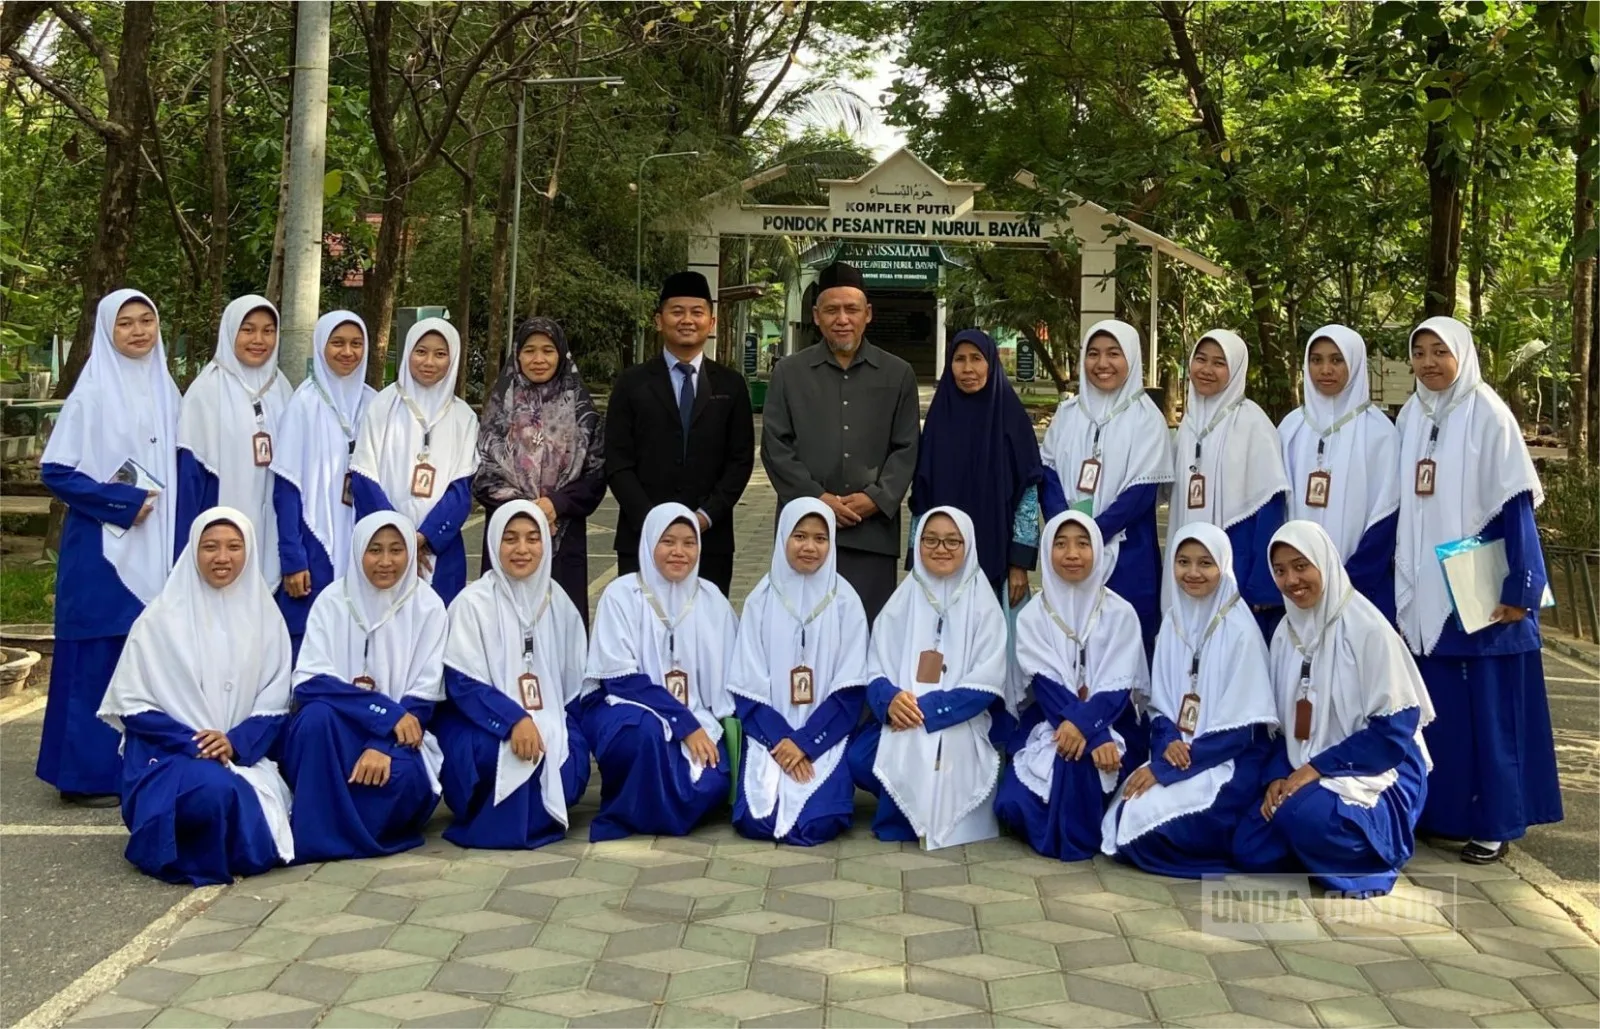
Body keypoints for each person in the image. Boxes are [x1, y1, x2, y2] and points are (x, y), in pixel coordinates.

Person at [1396, 316, 1559, 864]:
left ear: (1462, 354)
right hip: (1426, 585)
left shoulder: (1488, 412)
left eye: (1439, 351)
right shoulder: (1413, 415)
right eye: (1419, 352)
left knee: (1490, 710)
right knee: (1444, 711)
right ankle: (1446, 815)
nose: (1428, 362)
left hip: (1481, 590)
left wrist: (1522, 586)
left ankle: (1495, 824)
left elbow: (1514, 501)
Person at [1233, 522, 1434, 896]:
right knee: (1249, 846)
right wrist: (1278, 775)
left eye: (1301, 566)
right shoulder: (1284, 633)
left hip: (1379, 766)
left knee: (1298, 817)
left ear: (1325, 563)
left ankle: (1378, 849)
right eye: (1280, 570)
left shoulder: (1367, 629)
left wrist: (1315, 768)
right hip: (1306, 766)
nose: (1291, 580)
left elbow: (1394, 729)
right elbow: (1279, 725)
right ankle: (1313, 847)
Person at [98, 508, 295, 885]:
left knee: (243, 796)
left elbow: (274, 702)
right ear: (193, 552)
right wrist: (200, 743)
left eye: (234, 547)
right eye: (210, 547)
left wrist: (233, 743)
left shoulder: (267, 619)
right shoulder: (159, 619)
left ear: (249, 551)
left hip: (240, 754)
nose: (222, 558)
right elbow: (134, 704)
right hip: (169, 755)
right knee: (212, 790)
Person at [38, 289, 180, 806]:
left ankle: (132, 764)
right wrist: (119, 502)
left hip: (155, 543)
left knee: (139, 655)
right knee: (94, 656)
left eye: (147, 320)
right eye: (126, 324)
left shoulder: (168, 391)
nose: (139, 331)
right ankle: (80, 776)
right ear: (107, 331)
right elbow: (56, 471)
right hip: (101, 547)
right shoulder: (91, 394)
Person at [1102, 524, 1278, 877]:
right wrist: (1168, 742)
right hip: (1179, 751)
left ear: (1223, 567)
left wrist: (1170, 767)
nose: (1193, 573)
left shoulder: (1240, 630)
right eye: (1183, 562)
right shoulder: (1173, 621)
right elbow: (1161, 703)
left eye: (1205, 563)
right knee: (1125, 814)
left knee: (1145, 831)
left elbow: (1241, 731)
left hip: (1228, 761)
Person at [281, 512, 446, 860]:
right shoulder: (332, 601)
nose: (386, 562)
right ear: (358, 552)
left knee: (397, 780)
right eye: (375, 551)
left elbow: (423, 697)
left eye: (396, 550)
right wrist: (384, 714)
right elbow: (310, 683)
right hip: (339, 734)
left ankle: (326, 828)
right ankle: (318, 834)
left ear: (410, 554)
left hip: (403, 736)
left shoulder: (428, 606)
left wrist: (380, 743)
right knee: (314, 719)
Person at [762, 262, 921, 623]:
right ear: (817, 316)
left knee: (867, 631)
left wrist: (876, 498)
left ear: (868, 314)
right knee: (800, 633)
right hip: (805, 530)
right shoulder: (789, 373)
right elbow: (775, 446)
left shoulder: (898, 374)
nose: (842, 319)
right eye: (832, 310)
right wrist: (817, 500)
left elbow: (907, 446)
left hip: (872, 533)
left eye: (851, 309)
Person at [847, 507, 1007, 849]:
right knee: (859, 758)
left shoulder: (985, 605)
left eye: (953, 541)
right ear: (917, 544)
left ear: (968, 546)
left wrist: (926, 709)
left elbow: (987, 682)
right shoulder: (903, 600)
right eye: (931, 540)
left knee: (938, 752)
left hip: (959, 719)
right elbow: (875, 665)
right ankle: (911, 807)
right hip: (903, 713)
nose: (941, 549)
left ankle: (920, 813)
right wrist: (889, 699)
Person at [435, 502, 591, 849]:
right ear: (493, 543)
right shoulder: (472, 603)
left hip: (548, 715)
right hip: (481, 722)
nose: (522, 549)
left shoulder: (558, 602)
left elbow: (575, 683)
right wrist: (514, 721)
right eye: (511, 539)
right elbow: (462, 684)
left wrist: (560, 726)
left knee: (568, 763)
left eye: (533, 539)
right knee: (496, 754)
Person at [995, 512, 1149, 861]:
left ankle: (1075, 838)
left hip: (1111, 720)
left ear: (1097, 548)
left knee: (1078, 766)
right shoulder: (1035, 613)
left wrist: (1091, 729)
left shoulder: (1120, 612)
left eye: (1082, 544)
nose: (1072, 554)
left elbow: (1118, 687)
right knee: (1011, 805)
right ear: (1048, 551)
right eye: (1060, 544)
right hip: (1052, 716)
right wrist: (1088, 732)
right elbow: (1046, 685)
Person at [581, 503, 737, 840]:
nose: (679, 552)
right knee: (645, 736)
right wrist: (683, 722)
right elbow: (618, 678)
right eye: (668, 542)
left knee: (710, 783)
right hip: (623, 707)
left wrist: (698, 722)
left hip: (697, 713)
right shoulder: (621, 595)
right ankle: (630, 812)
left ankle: (650, 808)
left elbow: (729, 680)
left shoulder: (713, 600)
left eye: (688, 543)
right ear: (650, 542)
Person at [728, 498, 869, 846]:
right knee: (757, 819)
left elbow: (850, 689)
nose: (810, 547)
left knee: (819, 820)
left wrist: (806, 744)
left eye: (820, 538)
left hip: (824, 732)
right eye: (799, 536)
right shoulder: (760, 601)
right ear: (782, 539)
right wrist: (782, 741)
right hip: (771, 733)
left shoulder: (846, 602)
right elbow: (747, 686)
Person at [604, 272, 753, 595]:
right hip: (641, 535)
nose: (687, 320)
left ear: (711, 322)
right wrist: (654, 521)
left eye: (697, 312)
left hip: (709, 539)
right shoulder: (632, 384)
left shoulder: (731, 385)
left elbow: (739, 461)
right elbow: (617, 460)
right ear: (659, 320)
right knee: (640, 631)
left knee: (707, 636)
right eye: (677, 311)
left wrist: (704, 517)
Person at [1040, 319, 1173, 653]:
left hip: (1127, 551)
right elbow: (1048, 473)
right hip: (1068, 551)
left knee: (1124, 645)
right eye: (1094, 353)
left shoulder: (1147, 418)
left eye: (1114, 354)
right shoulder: (1069, 413)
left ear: (1131, 358)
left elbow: (1142, 492)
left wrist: (1091, 535)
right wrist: (1067, 531)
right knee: (1068, 638)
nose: (1102, 364)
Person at [474, 317, 606, 624]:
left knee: (560, 627)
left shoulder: (582, 410)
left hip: (563, 532)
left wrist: (554, 505)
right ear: (517, 355)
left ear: (561, 355)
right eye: (529, 350)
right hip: (508, 532)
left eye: (547, 350)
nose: (538, 359)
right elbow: (483, 472)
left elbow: (596, 475)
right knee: (501, 626)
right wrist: (526, 511)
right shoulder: (500, 404)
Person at [1165, 330, 1290, 638]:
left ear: (1235, 370)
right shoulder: (1189, 424)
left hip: (1237, 557)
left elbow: (1270, 502)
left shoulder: (1252, 422)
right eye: (1201, 359)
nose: (1207, 370)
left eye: (1219, 363)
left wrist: (1260, 583)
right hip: (1188, 560)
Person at [911, 328, 1044, 607]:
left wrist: (1019, 562)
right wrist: (916, 557)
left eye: (976, 358)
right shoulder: (938, 422)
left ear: (991, 363)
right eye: (959, 359)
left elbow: (1028, 495)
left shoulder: (1012, 420)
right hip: (940, 558)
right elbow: (922, 493)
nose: (968, 368)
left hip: (996, 556)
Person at [350, 318, 478, 606]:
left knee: (439, 628)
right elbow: (364, 476)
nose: (429, 361)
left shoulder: (464, 417)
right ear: (407, 352)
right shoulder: (382, 406)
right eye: (421, 351)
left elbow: (461, 489)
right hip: (383, 548)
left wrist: (423, 539)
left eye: (440, 354)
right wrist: (398, 540)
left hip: (440, 551)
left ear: (453, 358)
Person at [1278, 325, 1400, 622]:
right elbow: (1278, 506)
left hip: (1359, 585)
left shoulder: (1379, 432)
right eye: (1316, 360)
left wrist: (1350, 576)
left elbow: (1387, 510)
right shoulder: (1291, 428)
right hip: (1296, 585)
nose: (1325, 370)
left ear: (1355, 364)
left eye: (1336, 360)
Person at [271, 311, 377, 657]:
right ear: (321, 346)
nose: (348, 352)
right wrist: (293, 557)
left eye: (356, 343)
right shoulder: (304, 404)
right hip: (316, 539)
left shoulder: (374, 403)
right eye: (338, 343)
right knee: (312, 640)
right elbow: (286, 487)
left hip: (364, 537)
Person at [177, 295, 294, 586]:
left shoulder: (282, 388)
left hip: (272, 525)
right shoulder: (206, 391)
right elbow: (192, 476)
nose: (259, 339)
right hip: (221, 526)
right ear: (230, 332)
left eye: (268, 330)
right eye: (248, 329)